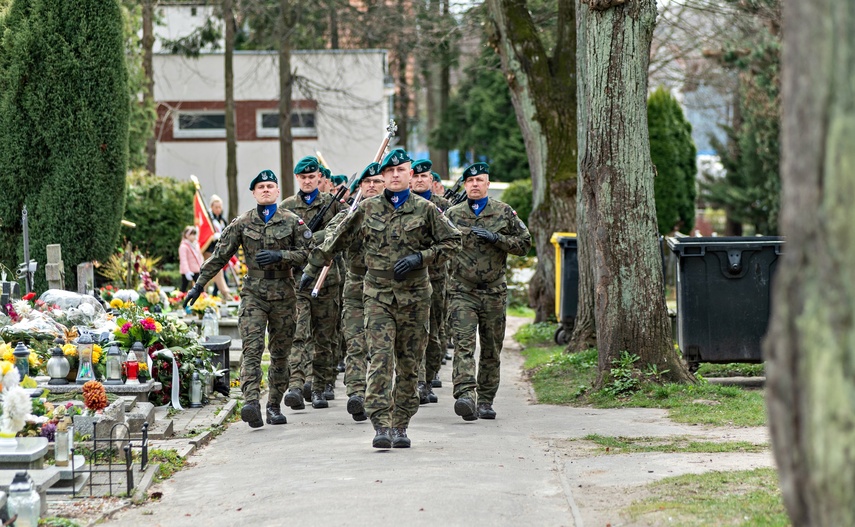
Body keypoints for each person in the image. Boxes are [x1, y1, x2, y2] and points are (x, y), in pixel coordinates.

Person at [300, 148, 461, 449]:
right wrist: (311, 268)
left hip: (414, 296)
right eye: (390, 172)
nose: (396, 175)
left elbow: (454, 241)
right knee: (381, 358)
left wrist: (421, 258)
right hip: (377, 294)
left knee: (409, 362)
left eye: (401, 170)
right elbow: (337, 238)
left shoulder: (426, 210)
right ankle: (380, 424)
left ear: (411, 175)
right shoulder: (367, 209)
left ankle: (401, 424)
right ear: (384, 177)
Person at [185, 169, 312, 428]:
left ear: (278, 191)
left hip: (284, 295)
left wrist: (281, 257)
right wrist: (198, 285)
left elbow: (308, 255)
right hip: (254, 294)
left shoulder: (292, 221)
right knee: (252, 349)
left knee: (280, 354)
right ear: (254, 193)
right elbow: (219, 256)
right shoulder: (243, 223)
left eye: (270, 186)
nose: (266, 190)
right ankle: (251, 402)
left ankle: (274, 405)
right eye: (261, 186)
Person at [445, 162, 531, 421]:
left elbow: (525, 244)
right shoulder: (452, 214)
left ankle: (485, 400)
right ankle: (465, 396)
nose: (474, 184)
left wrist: (498, 240)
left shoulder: (503, 212)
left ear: (487, 184)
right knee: (463, 344)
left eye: (479, 180)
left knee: (492, 349)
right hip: (463, 291)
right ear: (464, 185)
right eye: (470, 181)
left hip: (493, 292)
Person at [280, 156, 346, 410]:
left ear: (319, 177)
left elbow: (342, 232)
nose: (308, 181)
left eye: (312, 177)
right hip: (297, 281)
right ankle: (296, 385)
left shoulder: (332, 206)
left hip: (326, 280)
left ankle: (319, 387)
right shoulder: (287, 207)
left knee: (324, 338)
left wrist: (319, 236)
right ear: (297, 179)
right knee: (299, 335)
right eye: (303, 177)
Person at [330, 162, 384, 422]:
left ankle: (380, 395)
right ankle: (356, 394)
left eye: (376, 182)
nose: (371, 186)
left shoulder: (393, 214)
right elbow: (325, 241)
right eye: (367, 183)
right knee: (355, 343)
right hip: (355, 287)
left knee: (382, 349)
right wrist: (344, 226)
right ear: (360, 187)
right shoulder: (349, 214)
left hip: (386, 290)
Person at [410, 159, 451, 405]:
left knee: (433, 333)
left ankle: (428, 377)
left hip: (435, 278)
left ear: (431, 181)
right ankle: (415, 380)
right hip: (410, 280)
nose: (419, 180)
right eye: (415, 176)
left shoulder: (444, 207)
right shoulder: (401, 205)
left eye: (423, 176)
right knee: (412, 332)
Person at [205, 195, 232, 298]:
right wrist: (212, 236)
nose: (218, 209)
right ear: (211, 207)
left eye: (220, 207)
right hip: (209, 249)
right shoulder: (208, 219)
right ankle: (225, 293)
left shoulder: (222, 220)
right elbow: (203, 231)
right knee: (212, 271)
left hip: (218, 249)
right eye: (216, 207)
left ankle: (205, 292)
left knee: (215, 271)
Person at [178, 226, 204, 292]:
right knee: (184, 286)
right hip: (187, 271)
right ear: (186, 235)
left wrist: (202, 266)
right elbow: (184, 260)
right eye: (191, 234)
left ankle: (202, 299)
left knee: (200, 287)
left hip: (196, 270)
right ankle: (180, 299)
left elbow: (199, 257)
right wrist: (187, 271)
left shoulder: (196, 245)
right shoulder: (183, 246)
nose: (193, 236)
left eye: (194, 234)